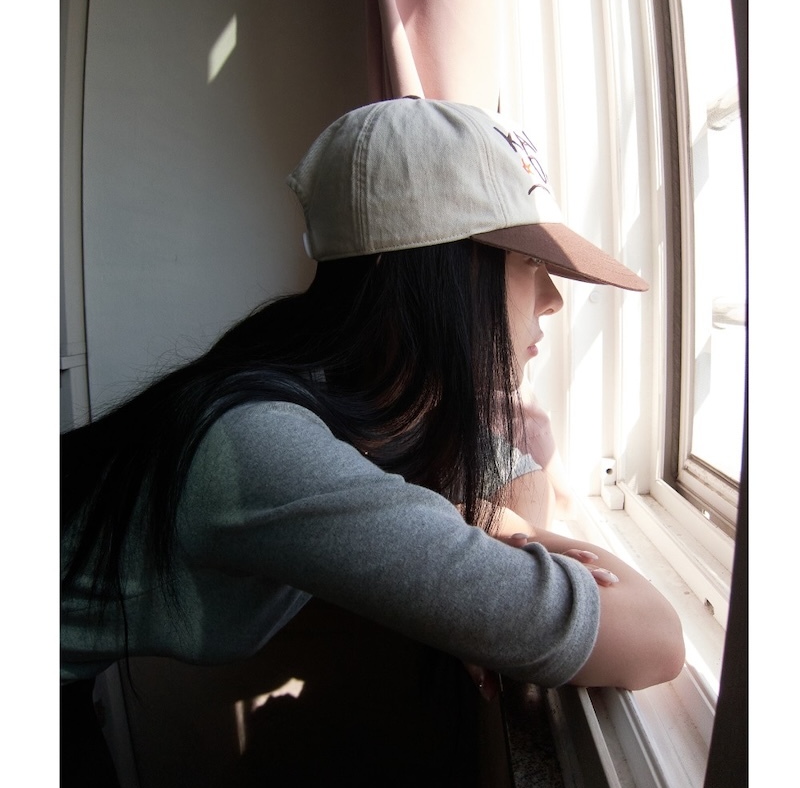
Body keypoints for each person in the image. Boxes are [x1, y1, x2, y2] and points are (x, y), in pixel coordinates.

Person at [61, 97, 685, 707]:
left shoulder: (362, 397)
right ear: (426, 272)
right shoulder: (261, 445)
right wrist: (490, 573)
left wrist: (489, 556)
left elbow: (511, 485)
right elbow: (656, 638)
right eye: (527, 261)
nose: (553, 298)